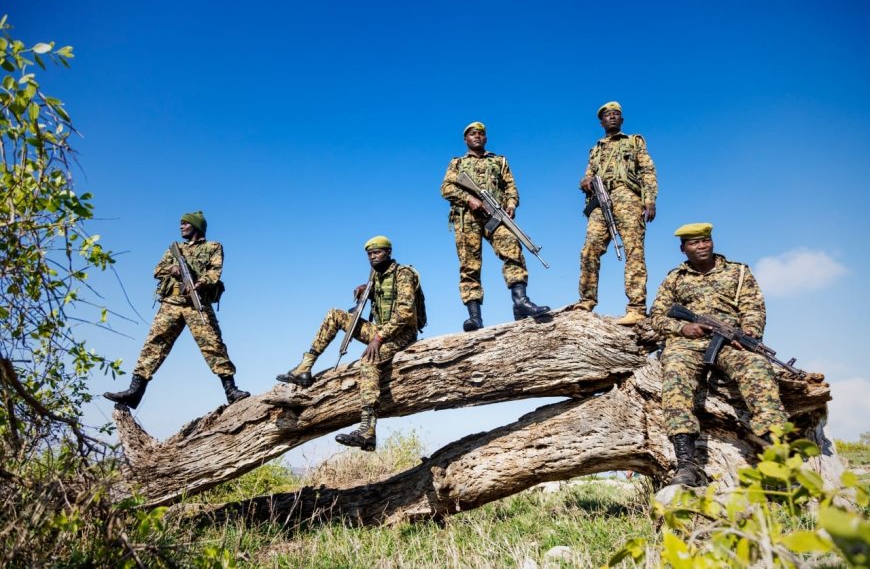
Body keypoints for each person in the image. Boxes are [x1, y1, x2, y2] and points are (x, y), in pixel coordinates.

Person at [650, 223, 787, 487]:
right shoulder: (674, 278)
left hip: (730, 341)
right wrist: (683, 327)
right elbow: (657, 317)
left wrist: (748, 331)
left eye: (706, 241)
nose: (701, 246)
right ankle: (687, 465)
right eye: (694, 243)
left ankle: (778, 457)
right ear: (683, 249)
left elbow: (754, 308)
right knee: (675, 375)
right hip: (688, 343)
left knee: (757, 369)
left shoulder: (738, 272)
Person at [276, 236, 422, 452]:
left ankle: (368, 431)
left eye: (377, 252)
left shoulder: (403, 274)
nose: (373, 257)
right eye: (369, 254)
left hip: (402, 334)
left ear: (388, 252)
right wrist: (367, 288)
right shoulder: (377, 276)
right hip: (382, 330)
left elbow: (404, 312)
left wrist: (378, 339)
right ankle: (305, 367)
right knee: (335, 315)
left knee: (368, 360)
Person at [104, 211, 250, 409]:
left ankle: (231, 391)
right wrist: (172, 269)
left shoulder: (213, 247)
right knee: (154, 345)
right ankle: (134, 392)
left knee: (213, 345)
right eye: (180, 224)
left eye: (185, 224)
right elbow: (157, 270)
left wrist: (200, 283)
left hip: (196, 303)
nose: (181, 227)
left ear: (196, 226)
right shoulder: (175, 249)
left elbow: (214, 273)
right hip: (171, 303)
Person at [441, 121, 549, 331]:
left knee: (512, 247)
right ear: (466, 139)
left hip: (495, 215)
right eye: (472, 134)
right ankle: (475, 317)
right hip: (467, 219)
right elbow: (446, 188)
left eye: (481, 134)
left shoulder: (499, 161)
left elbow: (511, 187)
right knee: (469, 266)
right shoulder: (457, 163)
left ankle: (520, 301)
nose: (477, 137)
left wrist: (510, 204)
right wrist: (468, 198)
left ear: (486, 138)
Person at [578, 101, 657, 326]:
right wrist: (585, 182)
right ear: (601, 122)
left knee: (633, 250)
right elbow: (587, 174)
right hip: (601, 201)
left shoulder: (633, 141)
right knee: (590, 248)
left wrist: (649, 198)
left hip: (628, 197)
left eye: (616, 114)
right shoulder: (596, 149)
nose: (611, 117)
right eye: (607, 115)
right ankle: (586, 300)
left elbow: (647, 170)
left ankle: (636, 308)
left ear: (621, 119)